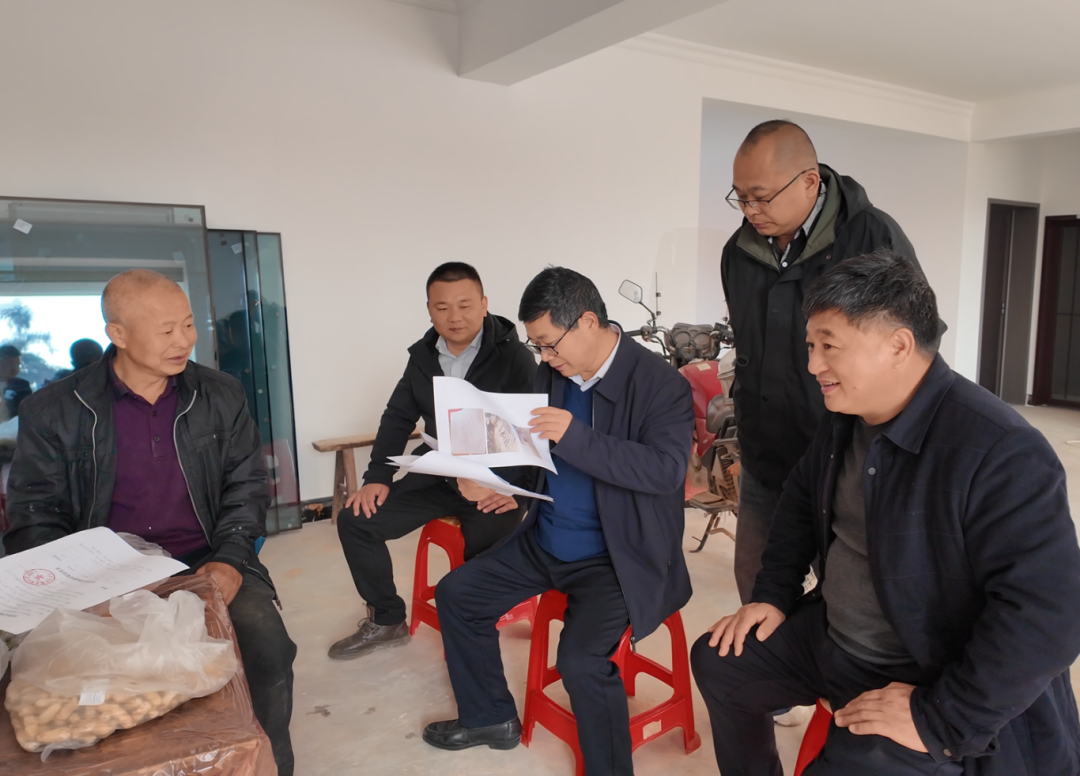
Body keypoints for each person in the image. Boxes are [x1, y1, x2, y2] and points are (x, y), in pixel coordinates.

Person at [690, 252, 1080, 776]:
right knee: (721, 662)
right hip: (836, 639)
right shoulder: (847, 417)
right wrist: (773, 595)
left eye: (829, 346)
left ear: (898, 345)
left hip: (927, 670)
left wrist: (941, 718)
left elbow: (1048, 615)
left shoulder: (1000, 449)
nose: (813, 366)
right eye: (810, 346)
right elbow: (800, 500)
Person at [3, 270, 297, 775]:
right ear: (117, 333)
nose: (183, 340)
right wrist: (80, 588)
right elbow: (34, 515)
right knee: (79, 685)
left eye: (188, 325)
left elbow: (247, 487)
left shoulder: (220, 394)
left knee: (267, 647)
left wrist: (230, 559)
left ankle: (271, 765)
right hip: (102, 574)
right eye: (166, 330)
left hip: (207, 557)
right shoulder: (54, 410)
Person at [422, 267, 694, 776]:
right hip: (547, 540)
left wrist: (576, 436)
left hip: (617, 557)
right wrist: (502, 485)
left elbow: (664, 471)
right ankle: (489, 718)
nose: (544, 357)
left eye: (549, 344)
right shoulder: (555, 372)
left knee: (581, 662)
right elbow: (536, 448)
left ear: (587, 322)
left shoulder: (659, 384)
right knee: (458, 594)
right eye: (537, 346)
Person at [721, 120, 935, 610]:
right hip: (765, 453)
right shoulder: (739, 251)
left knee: (844, 595)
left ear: (809, 181)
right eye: (740, 198)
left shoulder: (872, 237)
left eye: (761, 197)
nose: (751, 211)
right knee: (757, 586)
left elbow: (916, 345)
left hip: (844, 455)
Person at [330, 262, 537, 660]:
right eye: (442, 307)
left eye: (464, 305)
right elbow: (397, 417)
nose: (454, 316)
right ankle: (387, 619)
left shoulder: (515, 357)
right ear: (429, 310)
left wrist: (514, 490)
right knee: (357, 521)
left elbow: (533, 432)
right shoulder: (423, 357)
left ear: (484, 304)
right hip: (439, 475)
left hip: (496, 482)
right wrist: (378, 476)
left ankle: (473, 627)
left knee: (485, 550)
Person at [0, 344, 33, 419]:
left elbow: (28, 411)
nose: (15, 369)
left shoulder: (22, 386)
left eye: (18, 365)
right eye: (10, 364)